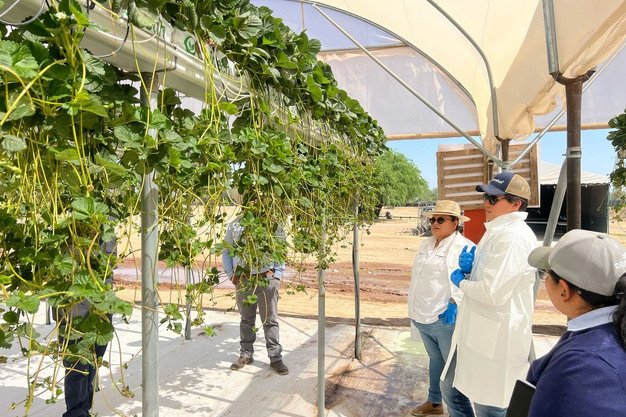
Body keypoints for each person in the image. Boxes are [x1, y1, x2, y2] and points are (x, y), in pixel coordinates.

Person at [442, 172, 537, 417]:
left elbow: (492, 293)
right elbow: (493, 279)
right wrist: (471, 269)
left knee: (490, 406)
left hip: (498, 341)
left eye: (494, 198)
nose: (486, 202)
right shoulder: (498, 230)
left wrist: (461, 282)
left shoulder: (513, 237)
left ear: (516, 204)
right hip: (482, 332)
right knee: (461, 391)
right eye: (486, 197)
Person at [523, 229, 626, 417]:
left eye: (545, 274)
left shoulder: (581, 369)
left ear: (564, 290)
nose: (545, 281)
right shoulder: (613, 330)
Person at [408, 200, 475, 417]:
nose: (434, 223)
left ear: (455, 223)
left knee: (452, 371)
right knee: (435, 360)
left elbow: (470, 281)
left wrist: (455, 303)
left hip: (444, 320)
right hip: (422, 316)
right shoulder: (426, 244)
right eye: (432, 220)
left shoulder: (464, 247)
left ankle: (460, 410)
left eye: (440, 220)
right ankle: (434, 402)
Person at [55, 237, 116, 417]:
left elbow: (110, 268)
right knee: (76, 364)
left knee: (94, 359)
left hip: (101, 307)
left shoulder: (109, 230)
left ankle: (84, 409)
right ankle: (76, 413)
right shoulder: (69, 230)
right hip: (74, 310)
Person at [222, 215, 289, 375]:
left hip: (267, 278)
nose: (252, 202)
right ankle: (246, 354)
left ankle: (275, 358)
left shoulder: (273, 222)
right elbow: (227, 250)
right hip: (243, 279)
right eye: (248, 200)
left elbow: (281, 248)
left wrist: (277, 274)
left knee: (270, 319)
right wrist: (230, 273)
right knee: (246, 319)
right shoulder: (235, 225)